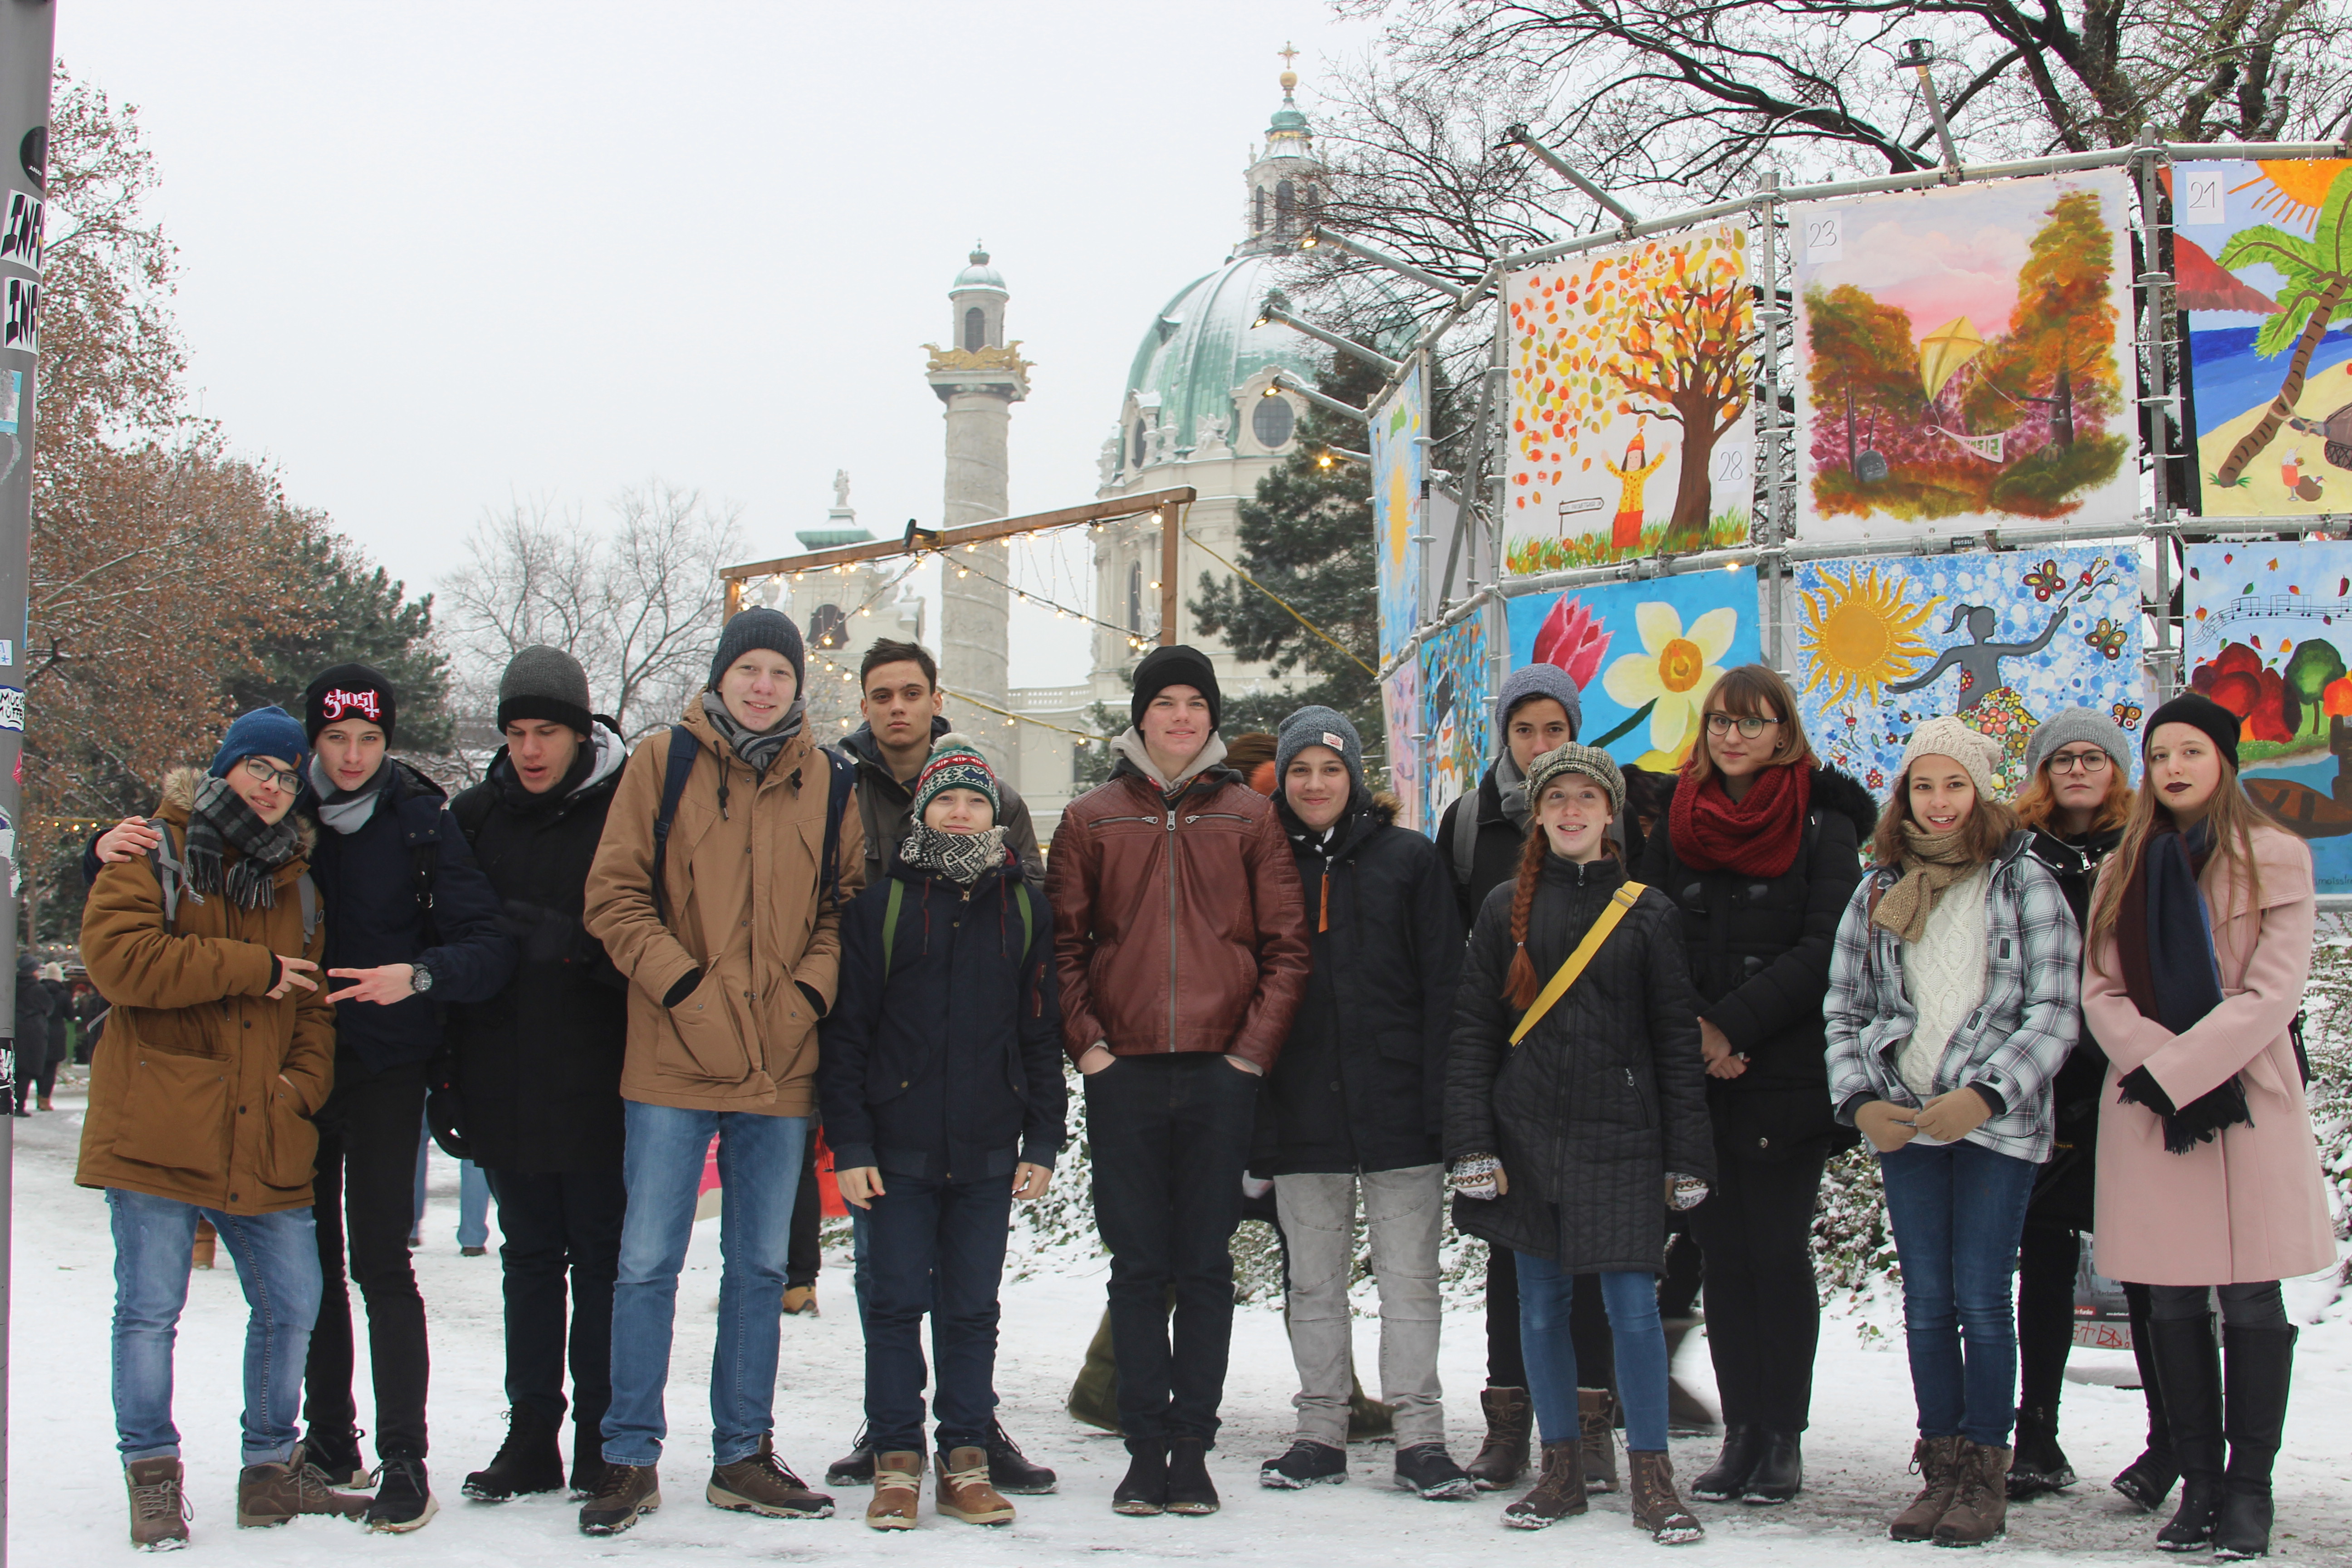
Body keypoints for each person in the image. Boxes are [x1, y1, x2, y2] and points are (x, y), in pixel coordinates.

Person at [94, 666, 518, 1532]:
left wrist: (418, 975)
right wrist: (99, 843)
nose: (352, 756)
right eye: (335, 740)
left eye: (369, 738)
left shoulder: (415, 819)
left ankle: (403, 1456)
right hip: (274, 1079)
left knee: (378, 1263)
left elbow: (487, 944)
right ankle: (325, 1442)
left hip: (381, 1065)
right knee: (305, 1271)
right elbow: (171, 872)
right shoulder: (283, 825)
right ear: (311, 745)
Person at [579, 607, 862, 1535]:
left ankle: (742, 1453)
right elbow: (614, 897)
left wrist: (805, 997)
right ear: (721, 678)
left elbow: (845, 910)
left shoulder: (829, 781)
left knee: (760, 1265)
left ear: (797, 684)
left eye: (779, 673)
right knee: (645, 1262)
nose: (764, 686)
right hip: (672, 1054)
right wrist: (687, 992)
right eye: (749, 670)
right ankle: (628, 1456)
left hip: (779, 1060)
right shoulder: (662, 764)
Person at [78, 707, 366, 1548]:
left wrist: (298, 1089)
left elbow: (312, 1005)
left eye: (286, 776)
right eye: (257, 770)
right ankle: (152, 1475)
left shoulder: (298, 882)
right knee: (150, 1310)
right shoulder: (153, 851)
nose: (272, 788)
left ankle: (270, 1472)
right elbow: (119, 962)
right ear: (225, 770)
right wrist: (251, 967)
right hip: (159, 1120)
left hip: (263, 1126)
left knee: (294, 1303)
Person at [1047, 643, 1310, 1516]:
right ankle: (1141, 1451)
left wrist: (1247, 1056)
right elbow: (1062, 947)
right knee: (1136, 1269)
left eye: (1195, 702)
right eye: (1164, 701)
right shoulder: (1090, 819)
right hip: (1122, 1073)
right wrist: (1090, 1049)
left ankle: (1190, 1449)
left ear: (1210, 717)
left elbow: (1285, 948)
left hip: (1218, 1073)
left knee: (1201, 1268)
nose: (1181, 716)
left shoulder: (1248, 815)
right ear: (1141, 715)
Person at [2081, 693, 2332, 1561]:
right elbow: (2099, 992)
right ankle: (2195, 1484)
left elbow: (2271, 994)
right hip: (2149, 1106)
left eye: (2189, 751)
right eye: (2158, 756)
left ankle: (2247, 1489)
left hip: (2243, 1097)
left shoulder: (2276, 857)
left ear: (2223, 760)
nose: (2172, 768)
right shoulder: (2122, 866)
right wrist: (2154, 1068)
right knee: (2170, 1294)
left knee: (2251, 1295)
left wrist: (2178, 1070)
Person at [1445, 742, 1711, 1545]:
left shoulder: (1648, 912)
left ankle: (1653, 1480)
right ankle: (1558, 1472)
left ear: (1610, 814)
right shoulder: (1504, 908)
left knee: (1633, 1311)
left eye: (1585, 798)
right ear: (1538, 812)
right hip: (1524, 1137)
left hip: (1622, 1139)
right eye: (1556, 798)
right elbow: (1472, 1034)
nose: (1570, 811)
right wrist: (1472, 1143)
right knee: (1539, 1309)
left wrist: (1687, 1156)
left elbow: (1675, 1044)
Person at [1824, 718, 2079, 1548]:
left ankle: (1983, 1472)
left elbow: (2054, 1007)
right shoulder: (1877, 889)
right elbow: (1846, 1007)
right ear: (1904, 797)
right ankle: (1938, 1466)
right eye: (1924, 787)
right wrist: (1859, 1101)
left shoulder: (2024, 880)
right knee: (1928, 1301)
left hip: (1995, 1125)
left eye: (1955, 785)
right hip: (1907, 1121)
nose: (1939, 803)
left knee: (1981, 1296)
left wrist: (1987, 1094)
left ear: (1981, 792)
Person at [1638, 665, 1874, 1506]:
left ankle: (1780, 1436)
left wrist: (1730, 1027)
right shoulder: (1677, 817)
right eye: (1718, 721)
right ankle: (1739, 1432)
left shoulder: (1823, 822)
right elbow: (1650, 934)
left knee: (1773, 1253)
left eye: (1750, 721)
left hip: (1783, 1072)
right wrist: (1698, 1034)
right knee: (1719, 1254)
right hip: (1697, 1073)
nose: (1731, 736)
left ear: (1783, 731)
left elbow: (1827, 946)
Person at [823, 637, 1054, 1496]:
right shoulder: (881, 907)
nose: (959, 812)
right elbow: (848, 1036)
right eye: (944, 799)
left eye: (974, 800)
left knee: (970, 1307)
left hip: (987, 1143)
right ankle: (893, 1448)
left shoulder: (1021, 907)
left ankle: (966, 1446)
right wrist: (851, 1142)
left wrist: (1043, 1136)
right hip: (899, 1142)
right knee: (891, 1300)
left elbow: (1039, 1029)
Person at [1251, 707, 1470, 1499]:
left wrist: (1446, 1108)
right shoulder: (1260, 862)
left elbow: (1445, 986)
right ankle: (1320, 1431)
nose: (1315, 784)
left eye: (1331, 768)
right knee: (1312, 1282)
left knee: (1409, 1280)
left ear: (1355, 776)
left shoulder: (1408, 859)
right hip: (1300, 1106)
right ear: (1283, 778)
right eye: (1300, 770)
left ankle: (1420, 1437)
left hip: (1399, 1107)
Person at [442, 646, 632, 1503]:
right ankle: (531, 1436)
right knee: (527, 1260)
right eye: (515, 732)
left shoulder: (626, 808)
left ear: (580, 732)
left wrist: (577, 948)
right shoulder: (474, 816)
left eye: (546, 732)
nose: (529, 749)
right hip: (503, 1072)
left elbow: (651, 925)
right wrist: (448, 1078)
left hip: (602, 1076)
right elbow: (446, 941)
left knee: (599, 1260)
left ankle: (599, 1436)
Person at [1433, 662, 1620, 1494]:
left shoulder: (1608, 810)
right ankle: (1508, 1427)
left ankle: (1589, 1429)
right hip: (1512, 1079)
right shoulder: (1470, 822)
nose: (1539, 745)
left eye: (1554, 728)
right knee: (1511, 1263)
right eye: (1523, 729)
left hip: (1598, 1079)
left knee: (1596, 1259)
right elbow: (1454, 962)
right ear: (1503, 734)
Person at [2006, 710, 2145, 1504]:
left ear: (2116, 769)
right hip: (2049, 1080)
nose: (2077, 770)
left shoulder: (2147, 847)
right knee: (2045, 1263)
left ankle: (2171, 1438)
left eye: (2093, 757)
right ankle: (2036, 1433)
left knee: (2153, 1267)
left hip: (2131, 1075)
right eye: (2061, 759)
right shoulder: (2021, 854)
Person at [11, 951, 52, 1116]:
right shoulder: (38, 989)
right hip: (33, 1034)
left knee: (12, 1069)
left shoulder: (11, 986)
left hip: (13, 1031)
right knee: (27, 1071)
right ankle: (19, 1105)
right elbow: (49, 1007)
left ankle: (8, 1103)